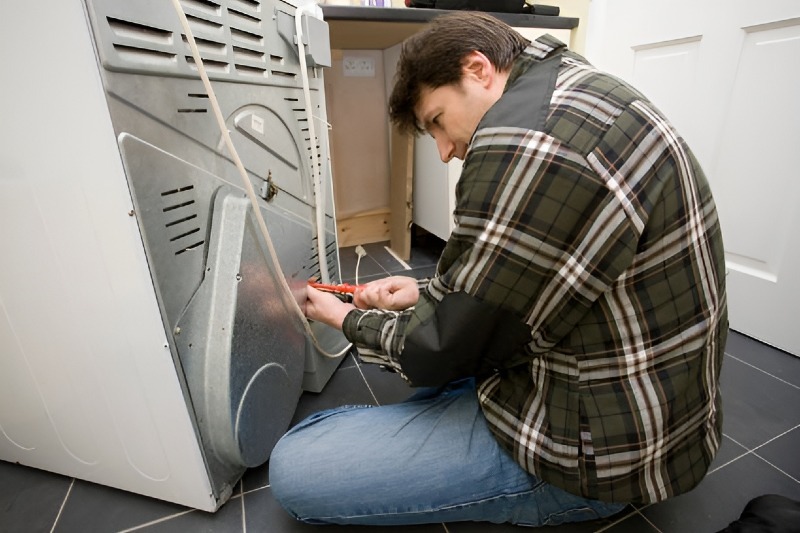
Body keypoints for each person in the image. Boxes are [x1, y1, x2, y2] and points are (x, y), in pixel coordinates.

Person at [269, 11, 728, 527]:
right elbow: (551, 268)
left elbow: (439, 348)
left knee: (297, 467)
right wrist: (424, 292)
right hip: (648, 415)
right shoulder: (575, 90)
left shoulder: (530, 141)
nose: (445, 151)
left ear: (478, 69)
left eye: (437, 121)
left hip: (596, 459)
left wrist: (344, 318)